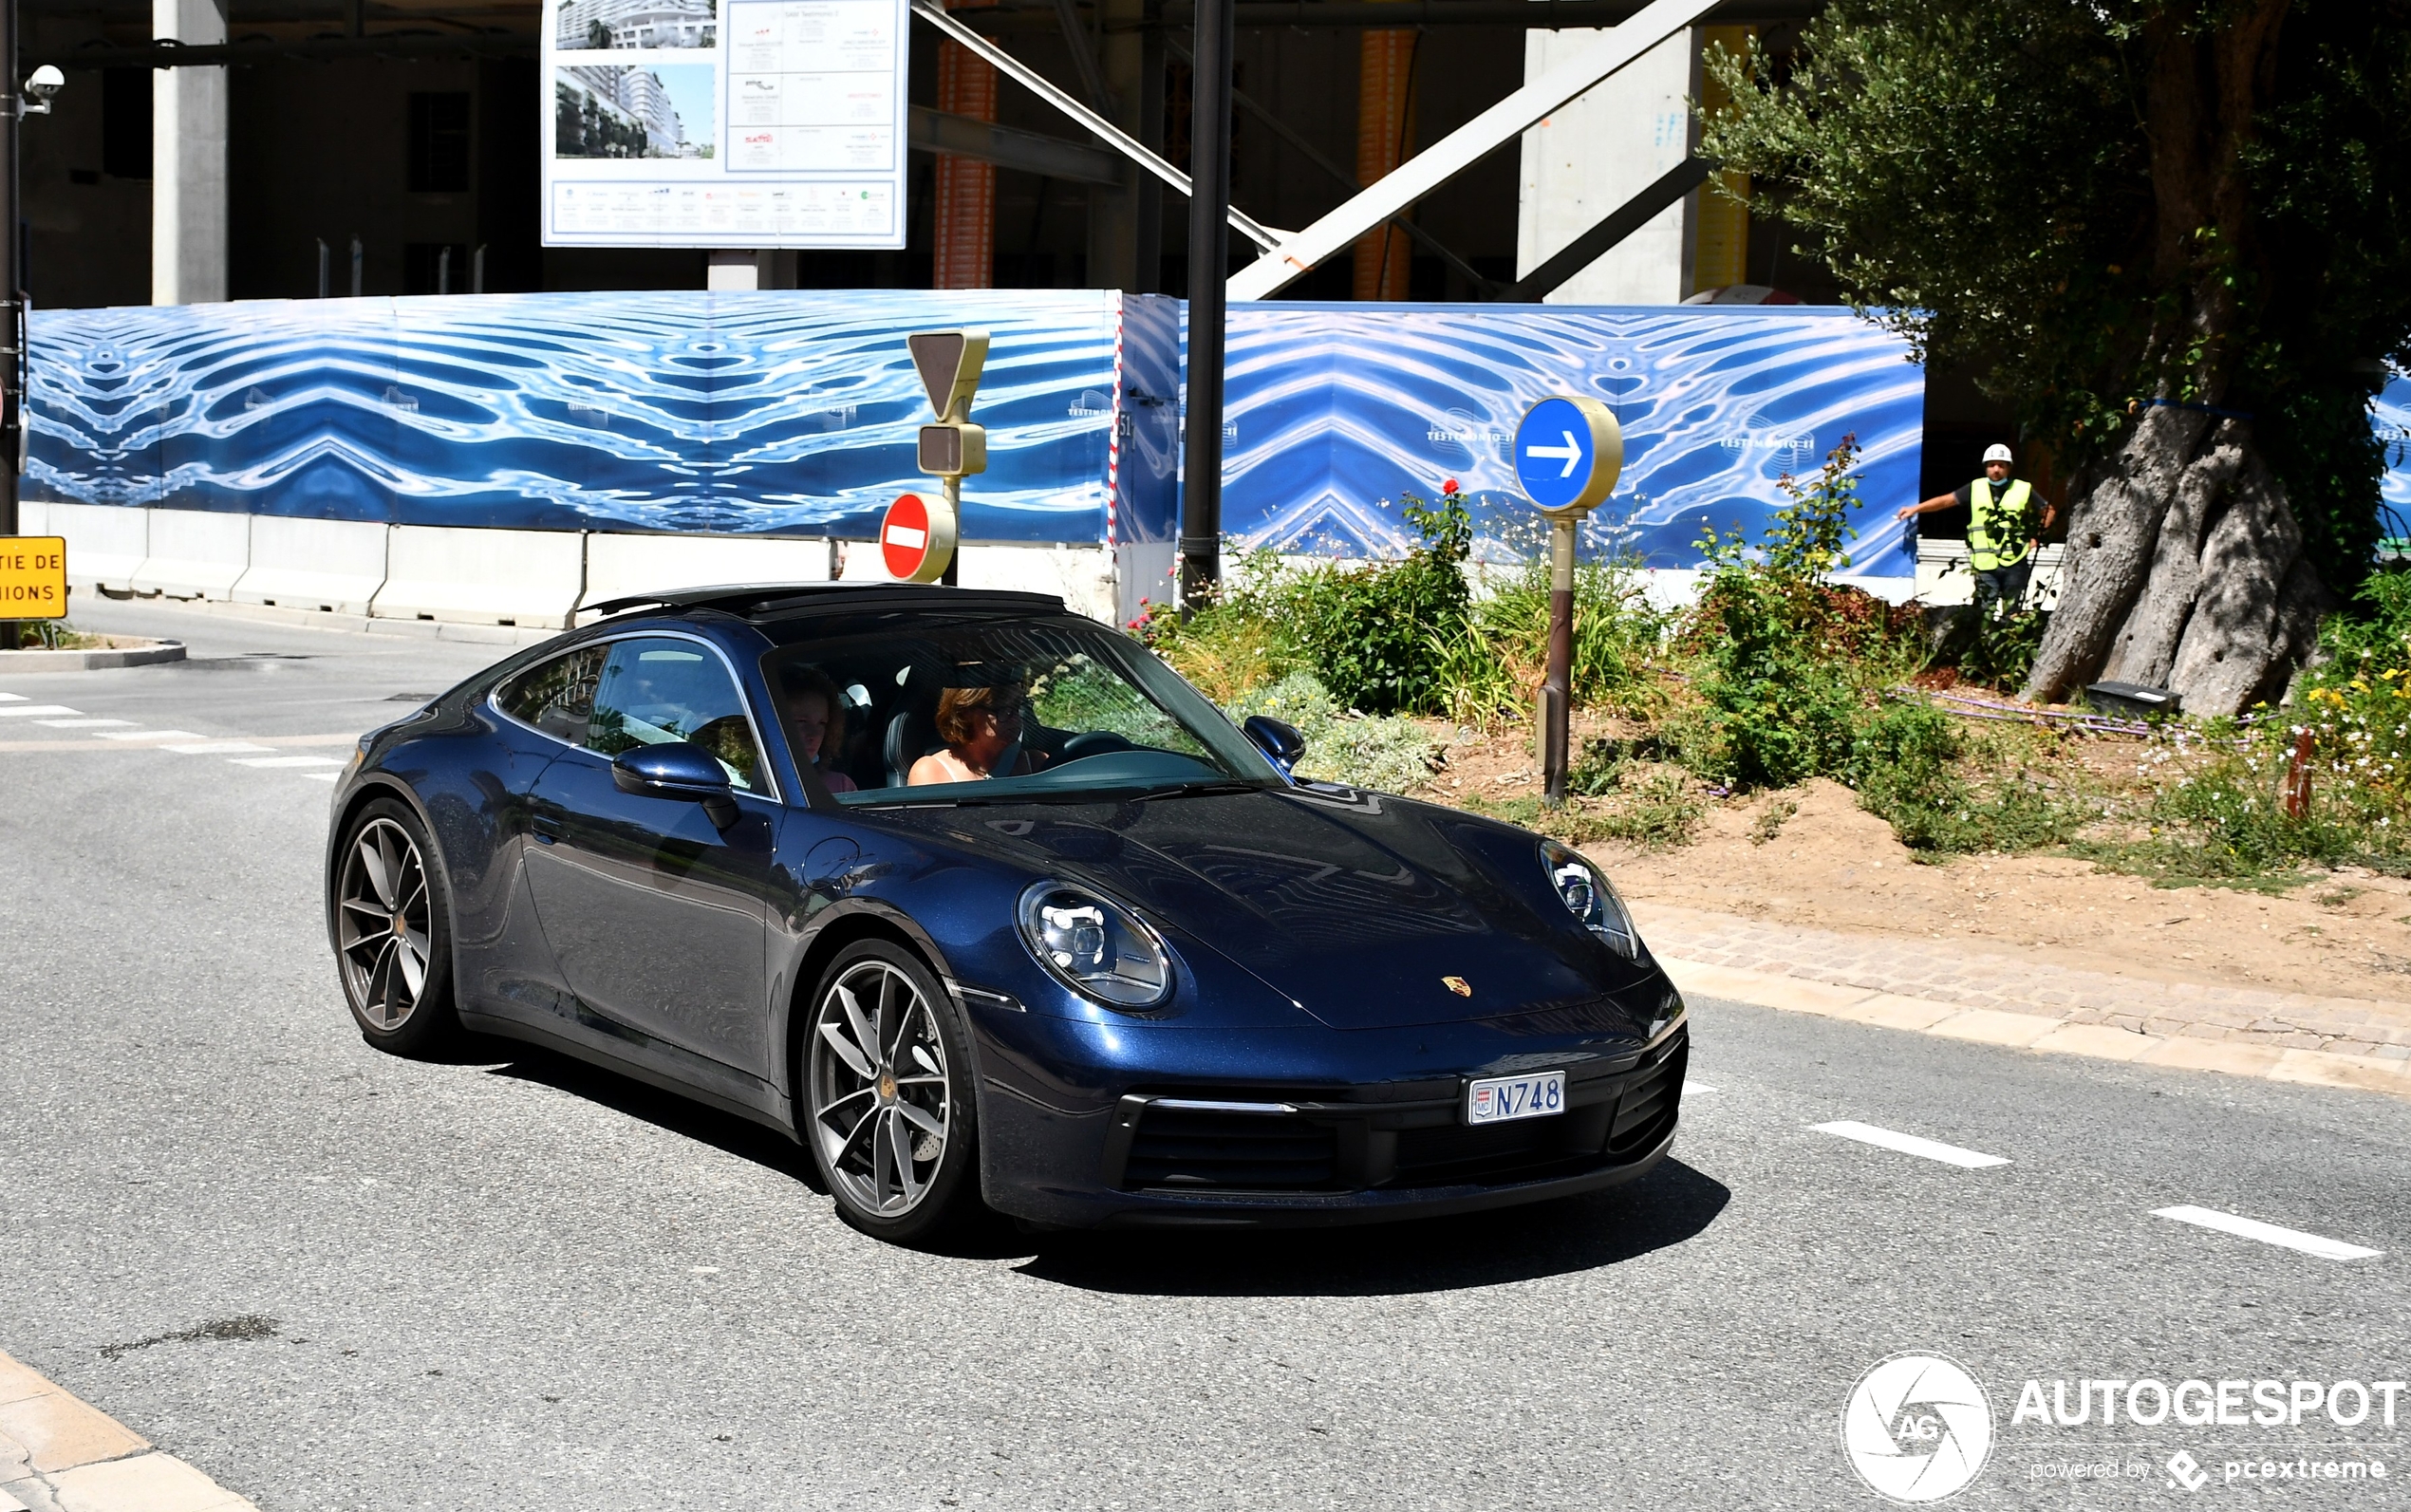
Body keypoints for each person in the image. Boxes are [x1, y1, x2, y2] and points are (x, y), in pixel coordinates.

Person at [1896, 443, 2056, 615]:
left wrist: (2036, 537)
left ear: (2009, 468)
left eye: (2001, 465)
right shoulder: (1975, 488)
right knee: (1984, 612)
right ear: (1985, 467)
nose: (1996, 470)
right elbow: (1945, 501)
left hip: (2015, 561)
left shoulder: (2023, 488)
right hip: (1984, 563)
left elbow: (2049, 510)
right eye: (1992, 465)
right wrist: (1915, 509)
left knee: (2013, 613)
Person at [909, 683, 1032, 786]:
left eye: (1018, 707)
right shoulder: (931, 772)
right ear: (965, 712)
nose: (1016, 719)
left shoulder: (1034, 764)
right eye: (1005, 711)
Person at [779, 664, 858, 793]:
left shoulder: (841, 787)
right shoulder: (741, 787)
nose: (814, 735)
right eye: (801, 721)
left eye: (822, 723)